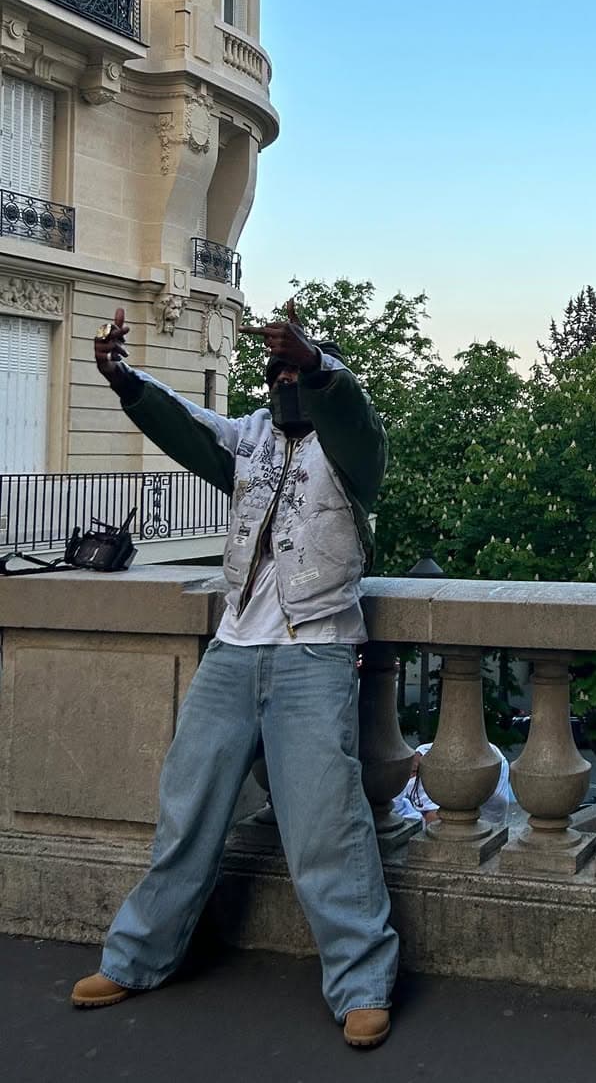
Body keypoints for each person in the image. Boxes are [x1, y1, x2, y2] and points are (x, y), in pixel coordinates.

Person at [70, 302, 398, 1050]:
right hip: (232, 650)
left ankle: (362, 983)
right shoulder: (248, 436)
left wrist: (318, 365)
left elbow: (351, 411)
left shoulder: (353, 446)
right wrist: (124, 380)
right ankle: (136, 958)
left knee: (326, 824)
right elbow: (186, 422)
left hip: (315, 651)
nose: (283, 382)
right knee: (187, 810)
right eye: (276, 372)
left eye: (295, 371)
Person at [393, 742, 514, 830]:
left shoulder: (423, 766)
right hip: (481, 761)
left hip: (487, 763)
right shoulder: (409, 783)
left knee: (491, 825)